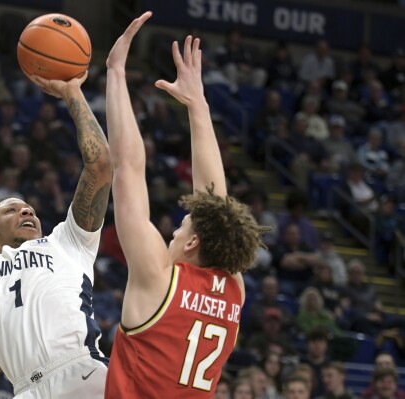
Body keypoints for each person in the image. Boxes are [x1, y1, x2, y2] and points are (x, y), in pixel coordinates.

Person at [104, 13, 266, 398]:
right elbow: (217, 205)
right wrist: (198, 105)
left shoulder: (158, 281)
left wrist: (114, 72)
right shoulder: (233, 290)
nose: (174, 232)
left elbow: (127, 167)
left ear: (192, 244)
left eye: (180, 228)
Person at [0, 56, 112, 398]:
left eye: (29, 208)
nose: (27, 211)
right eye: (12, 210)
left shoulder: (67, 242)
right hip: (26, 390)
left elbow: (101, 166)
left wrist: (72, 94)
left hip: (84, 372)